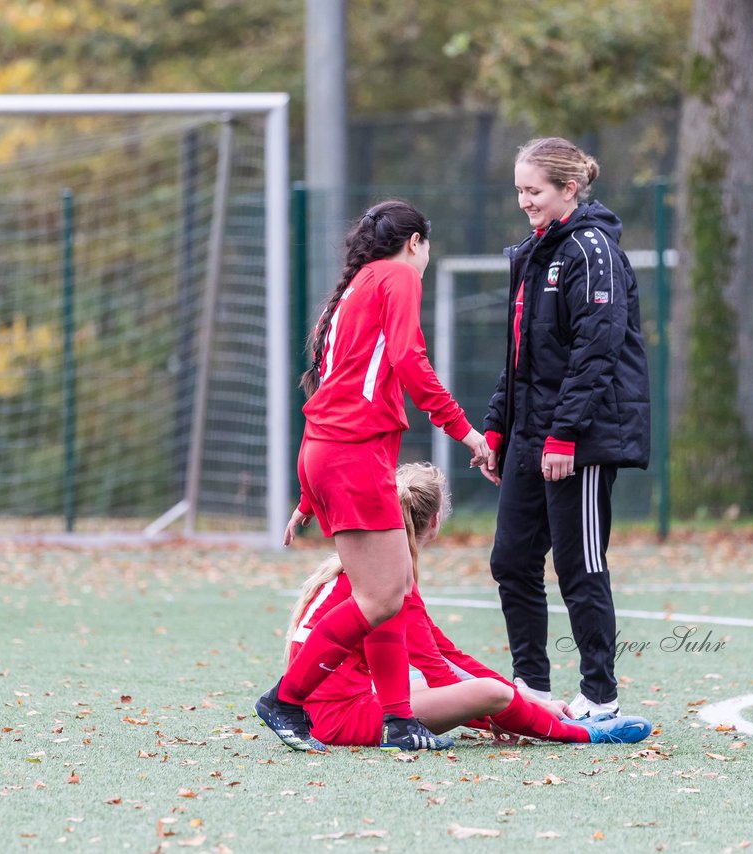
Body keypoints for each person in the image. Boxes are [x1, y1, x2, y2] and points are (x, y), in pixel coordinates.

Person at [255, 200, 491, 753]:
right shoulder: (397, 276)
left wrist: (310, 496)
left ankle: (398, 719)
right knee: (383, 595)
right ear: (414, 242)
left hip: (329, 451)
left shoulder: (359, 282)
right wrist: (468, 434)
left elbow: (334, 390)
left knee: (388, 591)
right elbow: (411, 361)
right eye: (427, 247)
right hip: (350, 454)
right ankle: (285, 700)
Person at [282, 462, 653, 750]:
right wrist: (513, 709)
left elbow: (443, 654)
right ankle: (577, 734)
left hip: (328, 711)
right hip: (338, 720)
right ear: (435, 520)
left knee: (431, 681)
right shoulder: (387, 581)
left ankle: (544, 716)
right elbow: (446, 674)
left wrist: (518, 703)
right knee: (486, 693)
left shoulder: (370, 566)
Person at [480, 137, 651, 721]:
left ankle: (600, 694)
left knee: (580, 564)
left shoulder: (594, 248)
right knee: (511, 560)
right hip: (530, 436)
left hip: (577, 441)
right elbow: (520, 356)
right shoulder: (533, 253)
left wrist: (565, 436)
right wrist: (498, 428)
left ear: (568, 189)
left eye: (535, 191)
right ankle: (531, 689)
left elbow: (597, 351)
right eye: (520, 191)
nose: (524, 201)